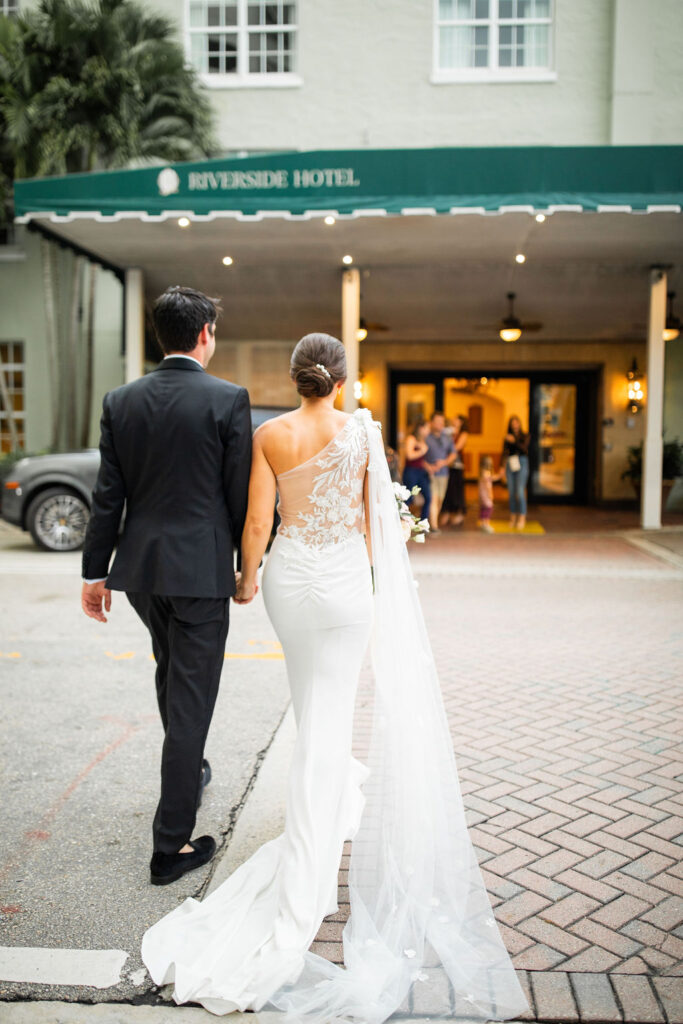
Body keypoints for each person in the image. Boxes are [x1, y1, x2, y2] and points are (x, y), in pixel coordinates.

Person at [140, 333, 528, 1023]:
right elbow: (374, 520)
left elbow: (259, 518)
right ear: (342, 380)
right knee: (332, 706)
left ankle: (315, 818)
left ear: (296, 380)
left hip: (292, 580)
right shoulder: (361, 434)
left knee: (307, 702)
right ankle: (316, 828)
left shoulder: (271, 433)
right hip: (347, 581)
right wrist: (382, 576)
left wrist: (248, 578)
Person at [80, 286, 252, 886]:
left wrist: (92, 572)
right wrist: (243, 563)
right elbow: (238, 494)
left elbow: (109, 497)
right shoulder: (228, 399)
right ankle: (169, 848)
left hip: (143, 572)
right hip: (201, 573)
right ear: (205, 331)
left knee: (169, 671)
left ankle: (190, 770)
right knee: (192, 697)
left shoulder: (121, 400)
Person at [424, 411, 455, 534]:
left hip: (444, 473)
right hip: (429, 474)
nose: (440, 424)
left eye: (441, 422)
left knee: (440, 500)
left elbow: (453, 453)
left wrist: (444, 462)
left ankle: (432, 521)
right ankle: (434, 526)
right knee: (433, 498)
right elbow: (419, 456)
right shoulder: (426, 437)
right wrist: (428, 466)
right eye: (437, 422)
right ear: (431, 423)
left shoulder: (447, 438)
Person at [440, 414, 469, 527]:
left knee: (457, 491)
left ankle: (459, 513)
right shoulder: (448, 432)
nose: (454, 420)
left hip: (457, 466)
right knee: (448, 491)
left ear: (461, 422)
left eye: (456, 419)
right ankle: (446, 512)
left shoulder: (463, 434)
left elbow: (456, 448)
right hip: (447, 465)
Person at [502, 414, 530, 530]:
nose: (514, 425)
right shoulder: (507, 437)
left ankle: (522, 517)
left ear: (519, 423)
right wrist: (501, 467)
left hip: (522, 462)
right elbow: (504, 452)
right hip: (510, 463)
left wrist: (514, 441)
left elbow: (524, 448)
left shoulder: (525, 435)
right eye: (512, 423)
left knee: (520, 491)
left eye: (516, 422)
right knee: (511, 492)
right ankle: (513, 516)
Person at [401, 419, 431, 524]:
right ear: (421, 428)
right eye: (427, 428)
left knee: (428, 497)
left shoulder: (422, 441)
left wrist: (429, 467)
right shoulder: (411, 438)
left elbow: (420, 460)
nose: (428, 431)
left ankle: (423, 523)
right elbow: (409, 455)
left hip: (421, 472)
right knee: (408, 498)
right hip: (411, 472)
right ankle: (401, 521)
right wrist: (422, 451)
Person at [478, 454, 501, 534]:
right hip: (486, 495)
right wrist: (490, 494)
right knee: (489, 509)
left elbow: (493, 477)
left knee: (483, 508)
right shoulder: (487, 473)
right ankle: (486, 524)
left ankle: (482, 523)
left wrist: (499, 475)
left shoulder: (482, 473)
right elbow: (488, 486)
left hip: (482, 495)